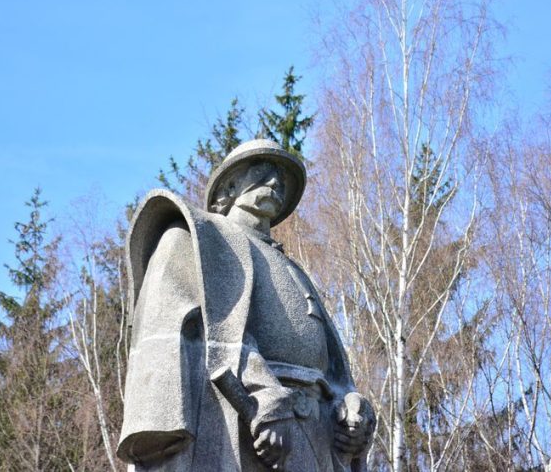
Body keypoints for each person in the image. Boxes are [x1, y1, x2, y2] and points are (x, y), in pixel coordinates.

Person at [117, 139, 375, 471]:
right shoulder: (199, 240)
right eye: (262, 172)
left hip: (316, 438)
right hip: (242, 430)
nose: (275, 182)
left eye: (281, 179)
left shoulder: (295, 270)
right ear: (230, 186)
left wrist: (352, 407)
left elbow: (334, 372)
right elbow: (205, 333)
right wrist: (264, 396)